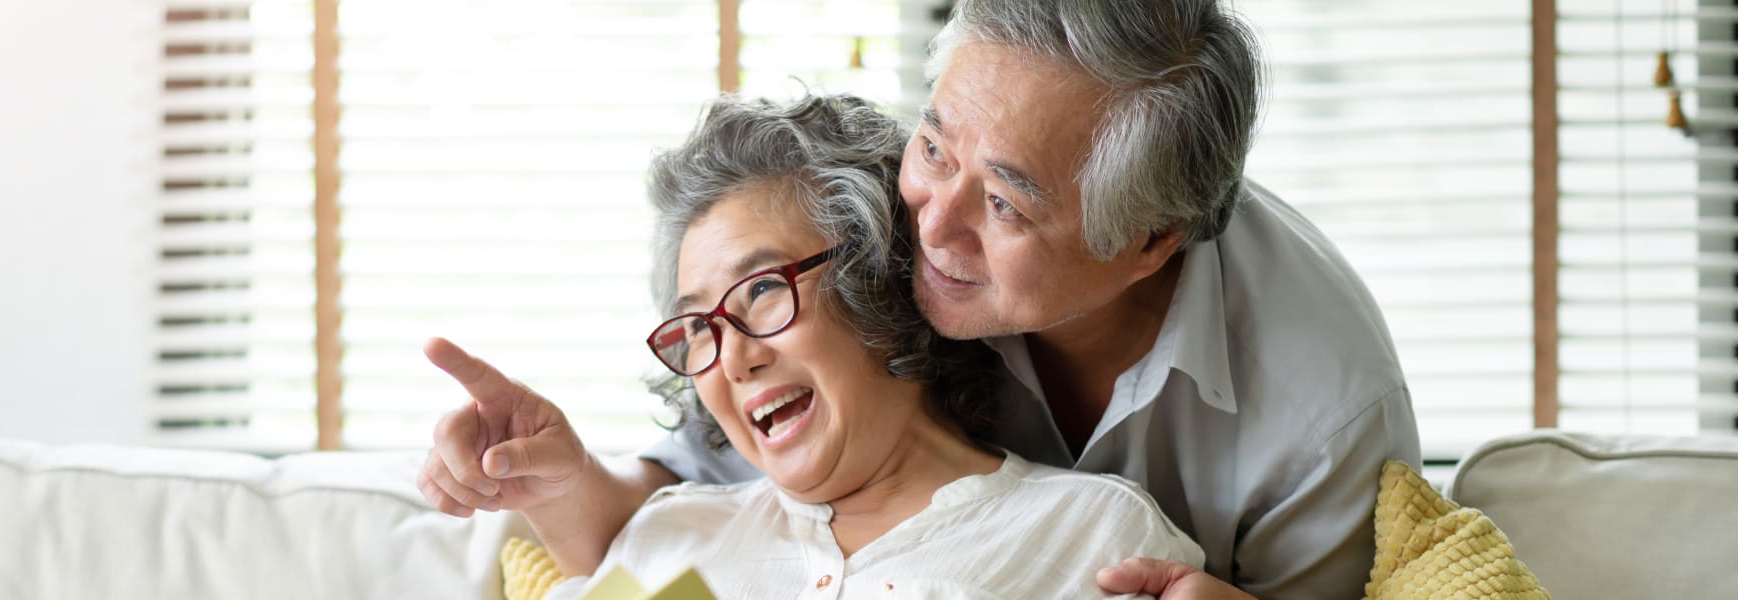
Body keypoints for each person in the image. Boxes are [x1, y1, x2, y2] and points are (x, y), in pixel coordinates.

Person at [420, 2, 1420, 599]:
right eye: (930, 146)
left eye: (1001, 203)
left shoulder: (1317, 413)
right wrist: (552, 478)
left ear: (1144, 244)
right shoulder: (909, 220)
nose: (927, 228)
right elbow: (707, 466)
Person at [443, 92, 1202, 598]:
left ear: (879, 276)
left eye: (762, 290)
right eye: (698, 326)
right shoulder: (665, 539)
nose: (733, 355)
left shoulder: (1093, 535)